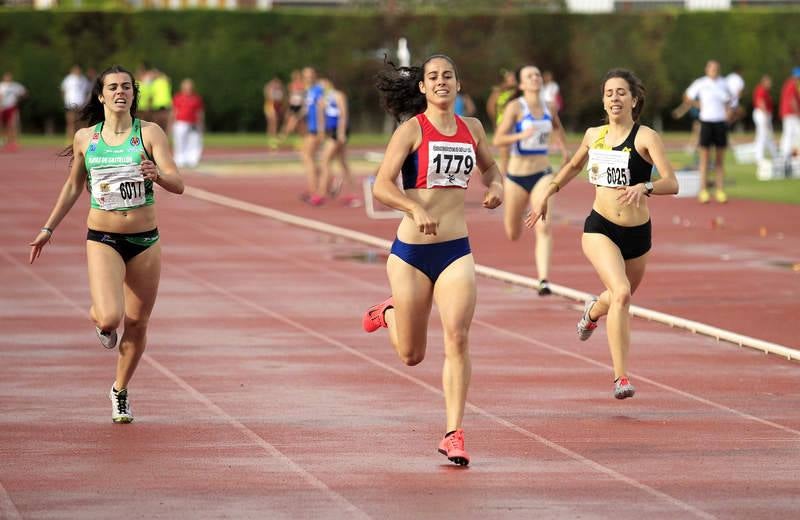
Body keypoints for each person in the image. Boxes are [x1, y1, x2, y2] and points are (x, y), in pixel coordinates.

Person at [362, 55, 503, 466]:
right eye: (433, 77)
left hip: (455, 250)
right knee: (411, 354)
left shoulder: (471, 129)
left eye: (448, 76)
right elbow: (381, 186)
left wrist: (494, 187)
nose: (442, 82)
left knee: (457, 336)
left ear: (459, 84)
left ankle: (453, 433)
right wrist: (413, 208)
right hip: (410, 255)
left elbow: (493, 170)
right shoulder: (411, 130)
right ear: (422, 87)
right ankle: (388, 313)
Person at [29, 65, 185, 423]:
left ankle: (119, 391)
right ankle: (99, 319)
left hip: (145, 240)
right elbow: (72, 187)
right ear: (100, 95)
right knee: (112, 316)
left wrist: (157, 175)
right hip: (103, 238)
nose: (120, 92)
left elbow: (178, 182)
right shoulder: (87, 138)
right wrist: (48, 228)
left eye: (126, 87)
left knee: (138, 323)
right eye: (112, 87)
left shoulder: (149, 133)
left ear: (133, 94)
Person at [528, 68, 678, 400]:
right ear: (603, 101)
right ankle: (621, 377)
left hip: (638, 234)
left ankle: (592, 311)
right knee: (622, 292)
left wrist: (646, 186)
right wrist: (547, 192)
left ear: (634, 99)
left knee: (617, 297)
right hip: (600, 227)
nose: (614, 98)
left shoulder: (646, 137)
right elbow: (573, 166)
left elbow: (672, 182)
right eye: (609, 93)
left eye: (621, 92)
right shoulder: (593, 135)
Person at [492, 65, 568, 296]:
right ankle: (517, 220)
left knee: (544, 226)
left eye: (537, 74)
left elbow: (557, 128)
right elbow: (498, 139)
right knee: (513, 233)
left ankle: (543, 280)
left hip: (542, 174)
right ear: (522, 84)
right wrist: (520, 135)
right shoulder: (516, 107)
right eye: (529, 76)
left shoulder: (550, 106)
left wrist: (564, 150)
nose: (535, 78)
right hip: (516, 177)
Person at [684, 60, 732, 203]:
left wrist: (729, 112)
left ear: (719, 70)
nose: (714, 70)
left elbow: (730, 101)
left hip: (720, 122)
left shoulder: (724, 83)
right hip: (706, 122)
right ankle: (703, 190)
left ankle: (719, 190)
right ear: (706, 69)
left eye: (716, 68)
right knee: (704, 158)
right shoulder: (701, 83)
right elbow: (687, 97)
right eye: (711, 68)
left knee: (719, 160)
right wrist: (698, 105)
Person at [317, 77, 360, 207]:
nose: (322, 87)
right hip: (331, 131)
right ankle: (353, 194)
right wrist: (322, 132)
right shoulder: (324, 98)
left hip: (339, 131)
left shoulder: (338, 95)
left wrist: (341, 133)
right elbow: (322, 116)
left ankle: (322, 193)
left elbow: (343, 114)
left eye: (323, 84)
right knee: (343, 163)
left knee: (324, 160)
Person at [299, 66, 325, 205]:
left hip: (317, 129)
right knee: (309, 158)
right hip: (311, 128)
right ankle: (324, 182)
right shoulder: (308, 91)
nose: (308, 78)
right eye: (305, 76)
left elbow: (322, 109)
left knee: (307, 157)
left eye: (310, 75)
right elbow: (307, 110)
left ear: (315, 76)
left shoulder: (318, 90)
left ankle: (315, 190)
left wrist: (321, 130)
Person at [486, 69, 518, 175]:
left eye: (514, 77)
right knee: (504, 156)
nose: (512, 79)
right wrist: (495, 123)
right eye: (510, 77)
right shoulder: (499, 91)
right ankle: (504, 181)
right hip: (503, 125)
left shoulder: (520, 90)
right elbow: (490, 106)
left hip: (518, 126)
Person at [170, 78, 204, 168]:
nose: (188, 88)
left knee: (194, 141)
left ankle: (192, 159)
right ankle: (179, 159)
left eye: (190, 87)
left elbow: (199, 112)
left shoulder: (196, 98)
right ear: (183, 87)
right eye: (186, 86)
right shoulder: (178, 97)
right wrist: (171, 123)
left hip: (193, 123)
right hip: (180, 122)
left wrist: (201, 124)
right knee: (179, 141)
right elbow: (174, 111)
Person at [751, 74, 778, 164]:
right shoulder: (761, 90)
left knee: (767, 135)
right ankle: (759, 157)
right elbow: (760, 102)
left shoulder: (765, 91)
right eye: (768, 82)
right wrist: (766, 115)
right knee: (762, 135)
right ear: (764, 82)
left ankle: (775, 155)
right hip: (762, 114)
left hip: (763, 114)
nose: (770, 84)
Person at [61, 65, 90, 141]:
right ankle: (70, 139)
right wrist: (66, 100)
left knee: (81, 122)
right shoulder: (68, 79)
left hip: (81, 103)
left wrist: (85, 101)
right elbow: (63, 90)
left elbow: (87, 91)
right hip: (70, 103)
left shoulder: (83, 79)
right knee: (71, 122)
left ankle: (80, 139)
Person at [0, 72, 27, 152]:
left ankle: (14, 142)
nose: (7, 78)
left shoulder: (15, 86)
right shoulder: (1, 86)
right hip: (2, 107)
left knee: (12, 124)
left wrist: (19, 99)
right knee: (3, 125)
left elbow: (24, 93)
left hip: (12, 107)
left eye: (9, 77)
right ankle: (5, 140)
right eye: (6, 77)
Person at [779, 67, 800, 164]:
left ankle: (787, 155)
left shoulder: (789, 83)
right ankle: (788, 156)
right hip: (791, 114)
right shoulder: (792, 84)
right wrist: (798, 112)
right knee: (794, 134)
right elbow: (792, 101)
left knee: (789, 134)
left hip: (788, 113)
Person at [279, 69, 306, 141]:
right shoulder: (291, 85)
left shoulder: (303, 85)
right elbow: (289, 97)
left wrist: (304, 107)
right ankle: (304, 139)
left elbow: (304, 97)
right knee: (299, 125)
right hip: (293, 106)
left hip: (300, 106)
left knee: (294, 123)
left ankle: (282, 137)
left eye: (296, 76)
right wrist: (287, 107)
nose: (295, 78)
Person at [263, 76, 285, 148]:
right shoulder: (270, 88)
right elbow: (269, 97)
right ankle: (272, 139)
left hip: (277, 107)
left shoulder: (280, 90)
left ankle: (273, 138)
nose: (277, 85)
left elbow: (281, 99)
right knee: (272, 122)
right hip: (270, 106)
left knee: (275, 123)